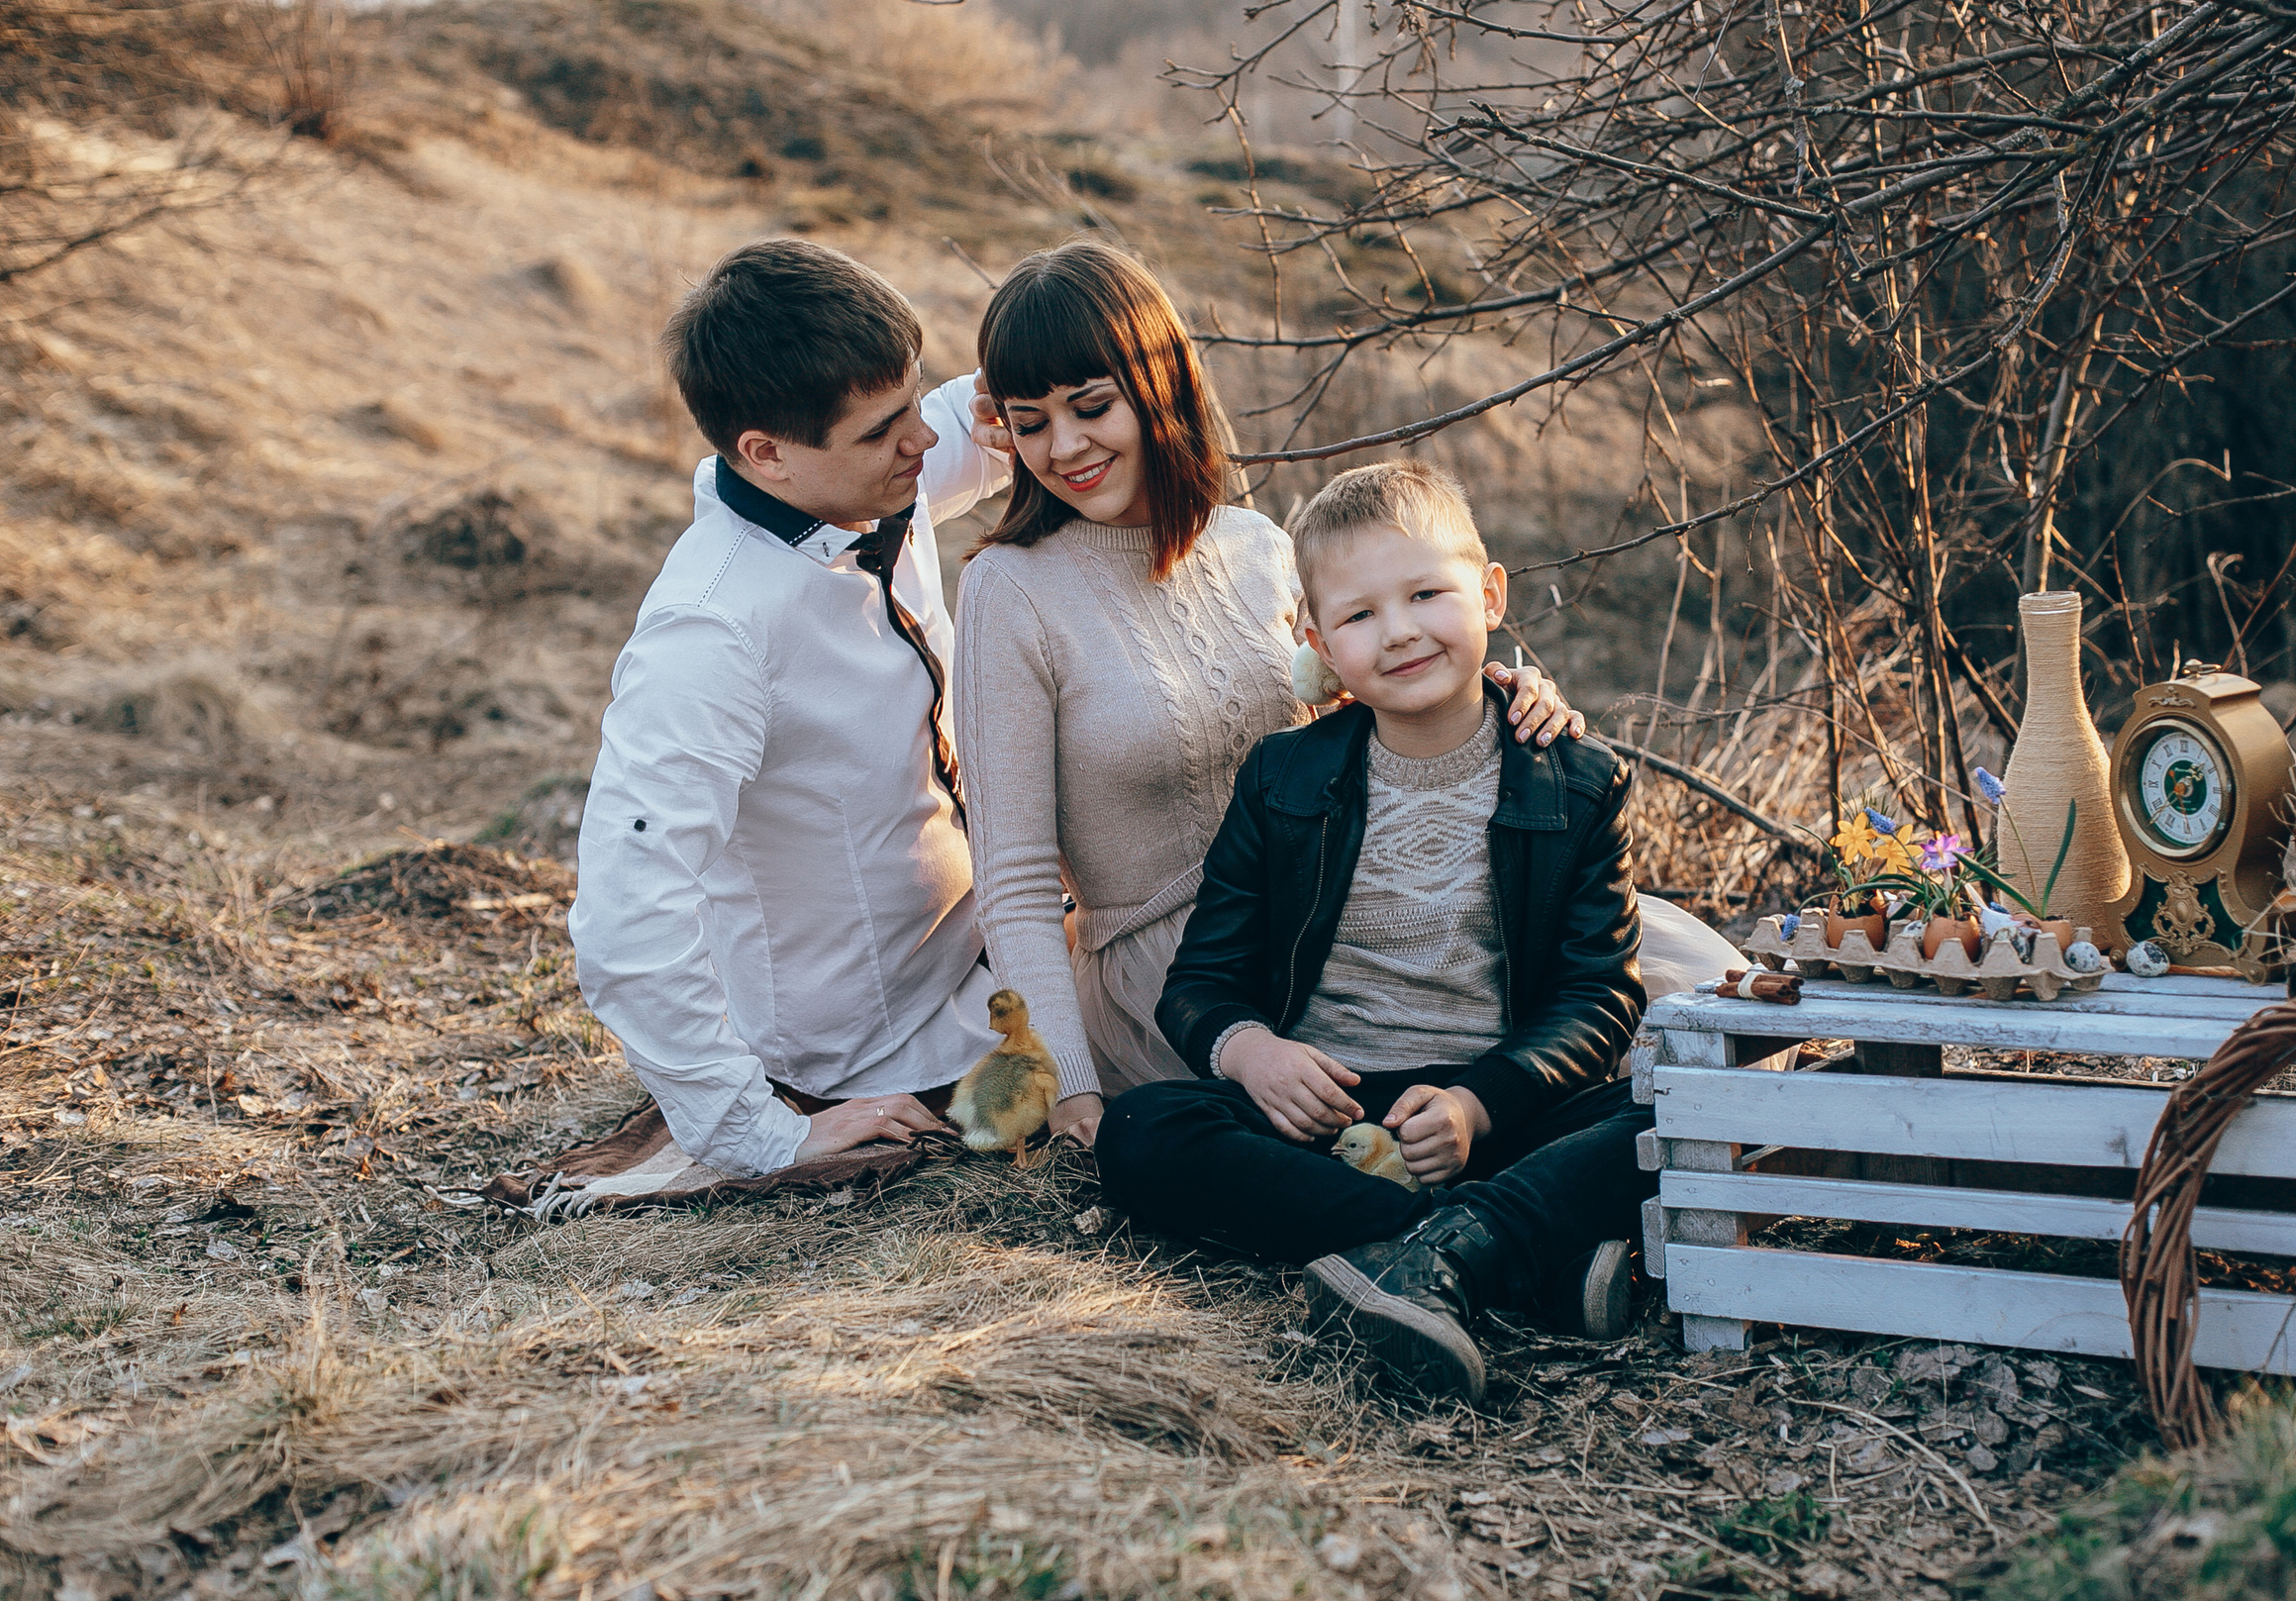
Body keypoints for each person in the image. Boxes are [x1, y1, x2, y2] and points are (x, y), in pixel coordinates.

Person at [950, 243, 1589, 1147]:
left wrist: (1500, 700)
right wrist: (1072, 1093)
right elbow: (1011, 881)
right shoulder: (1009, 591)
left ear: (1159, 386)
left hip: (1343, 904)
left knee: (1623, 987)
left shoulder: (1254, 544)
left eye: (1092, 407)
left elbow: (1370, 714)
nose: (1065, 448)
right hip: (1177, 976)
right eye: (1030, 423)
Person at [1097, 460, 1665, 1403]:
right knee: (1143, 1128)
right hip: (1328, 1120)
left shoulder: (1570, 781)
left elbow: (1599, 995)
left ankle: (1445, 1247)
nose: (1399, 631)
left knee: (1677, 1106)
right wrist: (1254, 1056)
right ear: (1317, 640)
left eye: (1427, 594)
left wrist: (1477, 1105)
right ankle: (1497, 1251)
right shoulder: (1284, 778)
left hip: (1493, 1112)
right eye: (1359, 615)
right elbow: (1202, 981)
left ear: (1489, 594)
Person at [568, 239, 1011, 1177]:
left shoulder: (857, 471)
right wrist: (760, 1135)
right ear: (764, 454)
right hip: (870, 1053)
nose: (923, 441)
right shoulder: (710, 632)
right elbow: (624, 913)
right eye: (884, 428)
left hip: (991, 955)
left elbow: (987, 413)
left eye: (913, 401)